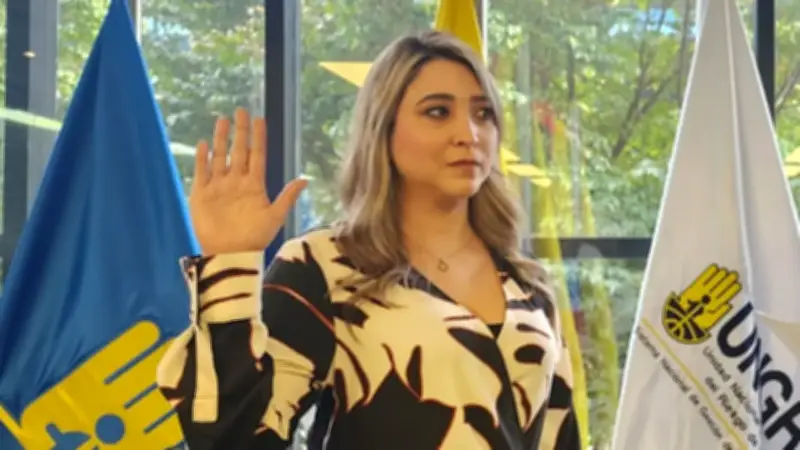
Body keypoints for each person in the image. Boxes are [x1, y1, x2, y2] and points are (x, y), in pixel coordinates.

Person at [156, 30, 582, 450]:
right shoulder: (324, 266)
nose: (468, 134)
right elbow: (235, 438)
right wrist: (229, 263)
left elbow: (561, 436)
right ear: (383, 128)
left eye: (484, 114)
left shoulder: (529, 285)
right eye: (437, 112)